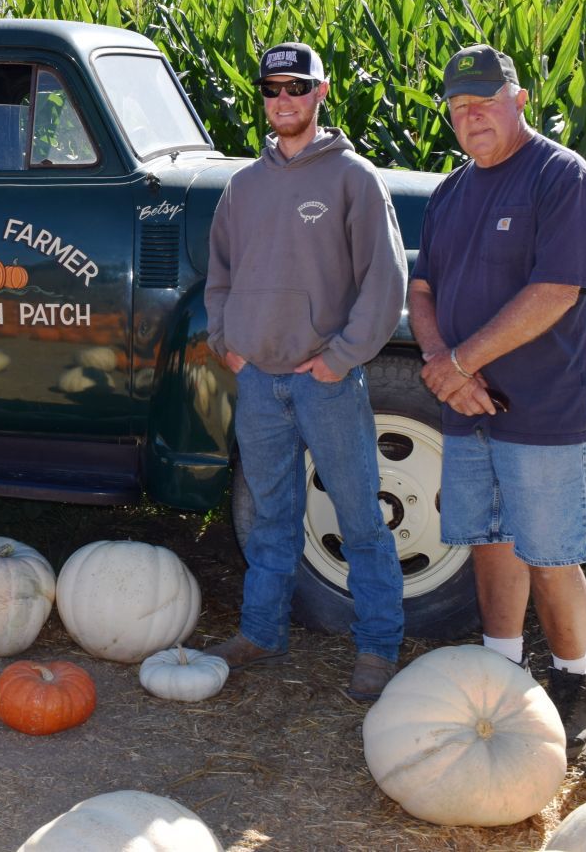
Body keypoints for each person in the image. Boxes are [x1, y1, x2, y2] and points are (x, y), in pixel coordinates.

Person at [407, 43, 586, 759]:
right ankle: (501, 666)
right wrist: (443, 366)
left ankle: (573, 679)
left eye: (484, 102)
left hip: (544, 410)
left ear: (518, 100)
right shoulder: (449, 193)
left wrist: (460, 360)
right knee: (490, 541)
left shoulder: (561, 179)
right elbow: (422, 289)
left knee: (550, 551)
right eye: (458, 108)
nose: (471, 117)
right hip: (467, 406)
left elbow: (555, 289)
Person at [203, 41, 408, 702]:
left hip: (325, 382)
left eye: (296, 87)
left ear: (321, 92)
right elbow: (219, 276)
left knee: (359, 518)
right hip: (258, 381)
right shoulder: (243, 186)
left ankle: (376, 645)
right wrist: (226, 342)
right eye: (271, 89)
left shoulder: (352, 177)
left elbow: (386, 278)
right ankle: (261, 631)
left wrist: (340, 359)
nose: (283, 100)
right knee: (270, 515)